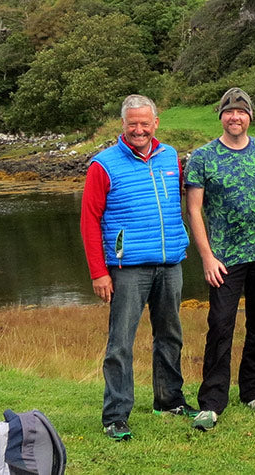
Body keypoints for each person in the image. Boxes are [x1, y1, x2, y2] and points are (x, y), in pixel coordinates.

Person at [80, 94, 195, 441]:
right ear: (123, 125)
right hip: (127, 268)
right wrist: (99, 272)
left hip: (170, 262)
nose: (139, 129)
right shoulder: (103, 165)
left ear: (156, 123)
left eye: (145, 123)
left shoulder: (170, 157)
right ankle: (116, 415)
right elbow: (89, 221)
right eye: (133, 124)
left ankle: (169, 400)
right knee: (120, 344)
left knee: (170, 336)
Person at [184, 88, 255, 432]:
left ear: (250, 117)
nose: (235, 117)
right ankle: (212, 402)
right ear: (221, 117)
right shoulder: (203, 157)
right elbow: (194, 210)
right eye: (229, 112)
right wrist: (207, 256)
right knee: (221, 326)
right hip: (225, 258)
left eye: (241, 112)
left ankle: (253, 390)